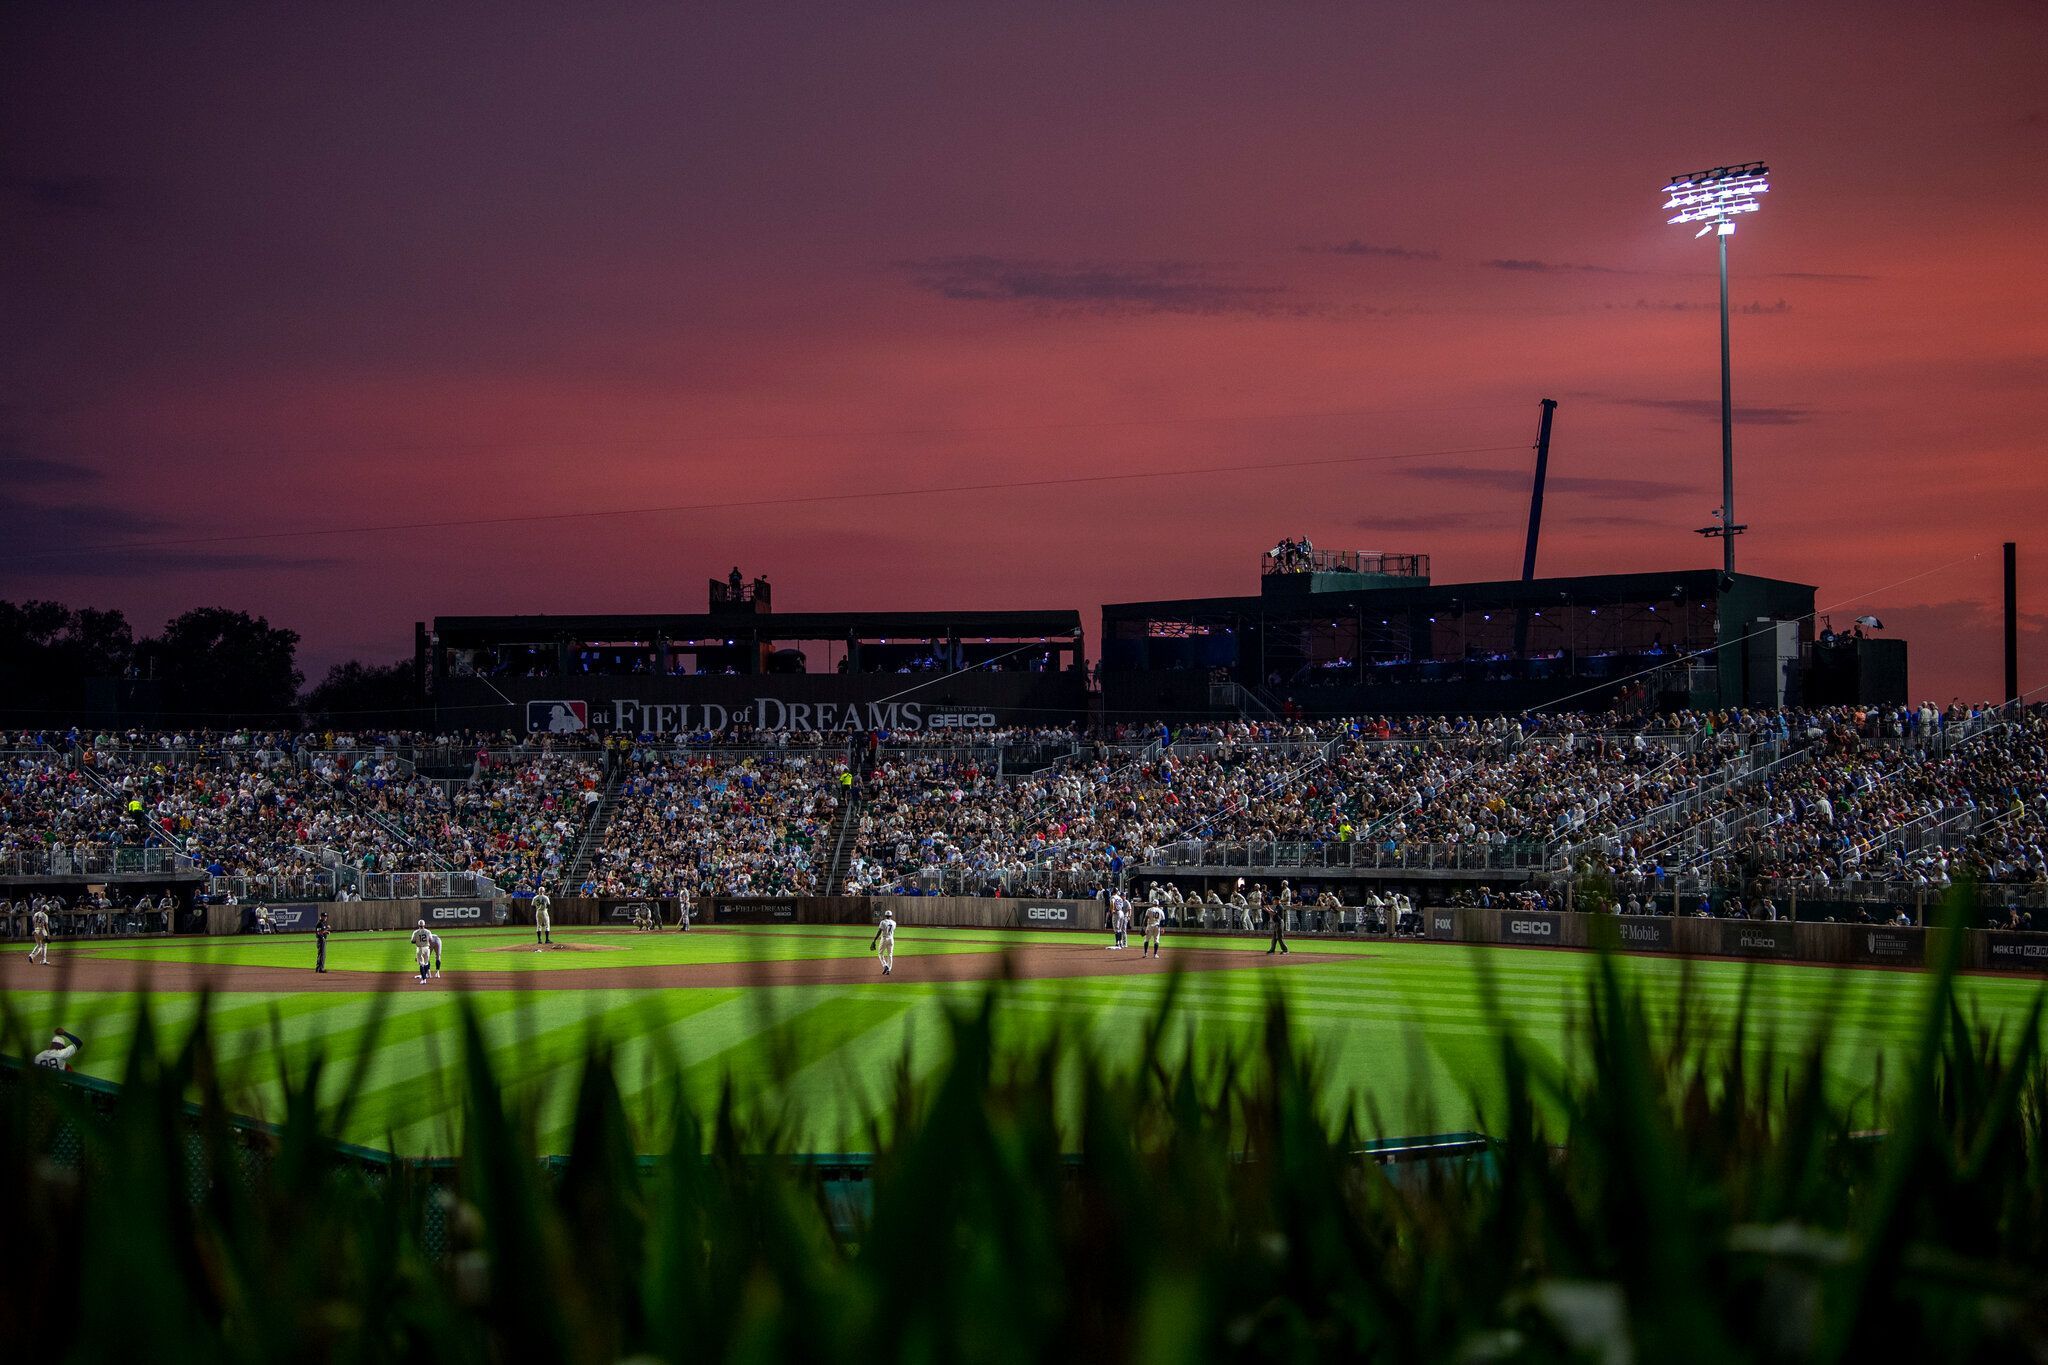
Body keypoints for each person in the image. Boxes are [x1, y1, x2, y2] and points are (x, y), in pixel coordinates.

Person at [870, 908, 896, 975]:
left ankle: (885, 965)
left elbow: (879, 931)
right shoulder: (894, 923)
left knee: (880, 953)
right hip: (891, 939)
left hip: (884, 939)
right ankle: (889, 970)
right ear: (891, 915)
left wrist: (874, 940)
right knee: (890, 954)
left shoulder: (883, 922)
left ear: (885, 915)